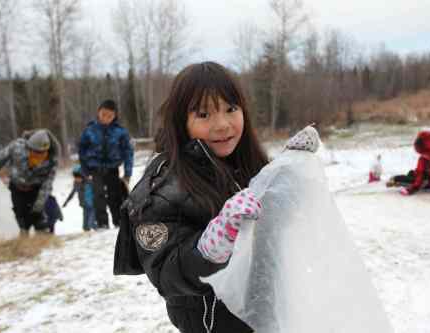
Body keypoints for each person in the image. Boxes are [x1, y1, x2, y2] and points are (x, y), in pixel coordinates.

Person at [114, 62, 315, 333]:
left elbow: (274, 227)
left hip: (263, 314)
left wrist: (290, 171)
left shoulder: (246, 163)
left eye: (230, 109)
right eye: (204, 114)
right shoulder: (162, 185)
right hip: (215, 324)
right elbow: (165, 273)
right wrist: (208, 248)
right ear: (181, 121)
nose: (222, 125)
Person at [0, 129, 60, 236]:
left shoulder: (52, 160)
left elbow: (47, 185)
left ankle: (43, 241)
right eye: (35, 152)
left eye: (42, 153)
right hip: (17, 188)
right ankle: (23, 239)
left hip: (36, 190)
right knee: (21, 219)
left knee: (39, 219)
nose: (38, 155)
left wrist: (38, 207)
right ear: (28, 147)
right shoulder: (17, 147)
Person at [78, 99, 134, 229]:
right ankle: (102, 222)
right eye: (103, 114)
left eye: (110, 116)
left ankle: (118, 221)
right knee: (98, 195)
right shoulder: (89, 130)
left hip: (112, 169)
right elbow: (82, 150)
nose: (106, 118)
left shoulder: (120, 132)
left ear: (115, 116)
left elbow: (128, 152)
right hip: (95, 169)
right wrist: (85, 170)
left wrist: (128, 172)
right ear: (98, 113)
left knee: (115, 195)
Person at [386, 131, 430, 195]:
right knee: (412, 172)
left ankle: (393, 181)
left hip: (427, 184)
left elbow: (421, 177)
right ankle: (404, 179)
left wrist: (410, 190)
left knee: (397, 178)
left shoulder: (424, 158)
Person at [63, 164, 96, 231]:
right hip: (84, 205)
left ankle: (99, 231)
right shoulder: (76, 184)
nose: (76, 179)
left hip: (92, 206)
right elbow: (72, 194)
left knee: (91, 223)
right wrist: (66, 202)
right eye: (75, 177)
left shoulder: (89, 183)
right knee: (85, 227)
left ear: (82, 176)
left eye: (78, 177)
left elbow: (97, 192)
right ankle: (88, 238)